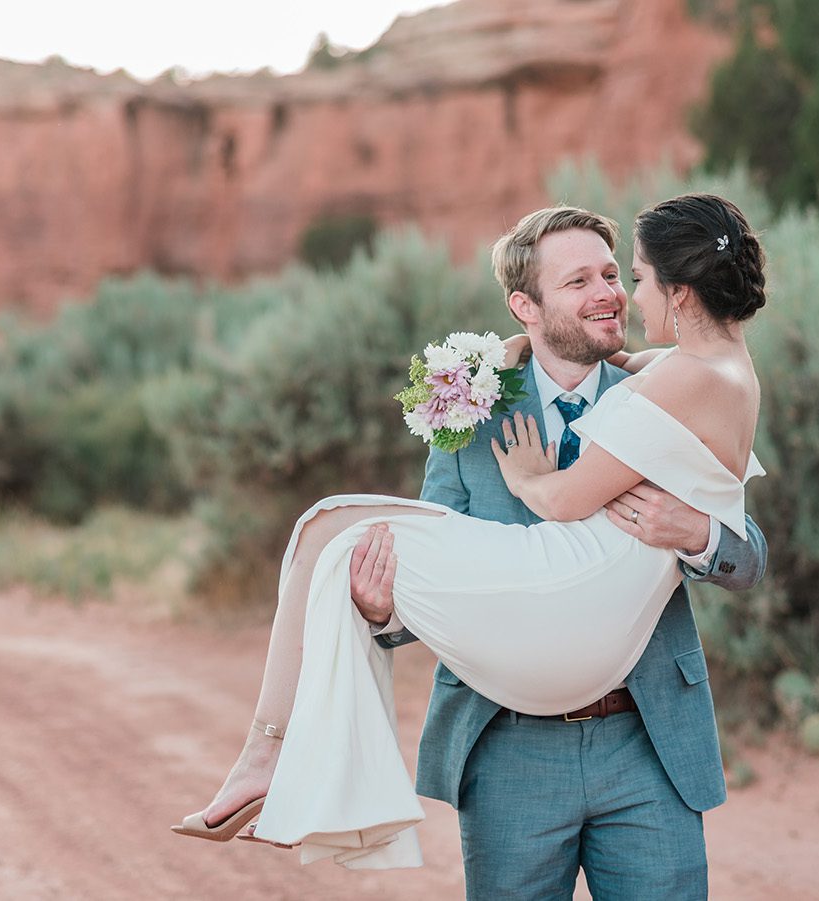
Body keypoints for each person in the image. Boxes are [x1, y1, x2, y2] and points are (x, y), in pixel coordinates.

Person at [173, 197, 768, 896]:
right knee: (330, 537)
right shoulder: (468, 413)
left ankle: (267, 755)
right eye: (580, 282)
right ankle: (276, 757)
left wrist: (695, 533)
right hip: (511, 746)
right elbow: (434, 566)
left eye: (615, 274)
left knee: (322, 526)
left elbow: (747, 550)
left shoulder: (661, 380)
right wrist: (376, 610)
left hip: (644, 738)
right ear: (525, 305)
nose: (611, 292)